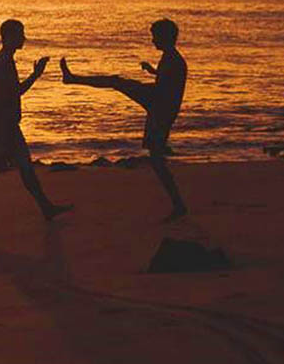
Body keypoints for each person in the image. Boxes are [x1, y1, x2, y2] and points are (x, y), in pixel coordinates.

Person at [60, 19, 188, 221]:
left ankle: (178, 204)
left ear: (165, 37)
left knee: (115, 81)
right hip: (158, 105)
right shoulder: (171, 58)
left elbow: (166, 88)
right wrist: (152, 71)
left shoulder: (174, 60)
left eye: (155, 36)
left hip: (158, 106)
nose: (152, 40)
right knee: (156, 159)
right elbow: (167, 80)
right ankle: (178, 203)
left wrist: (142, 92)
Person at [0, 19, 74, 225]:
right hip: (1, 127)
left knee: (25, 169)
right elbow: (13, 93)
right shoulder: (3, 62)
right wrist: (36, 76)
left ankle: (46, 207)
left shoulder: (5, 60)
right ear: (9, 36)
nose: (24, 38)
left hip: (6, 125)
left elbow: (11, 93)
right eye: (20, 34)